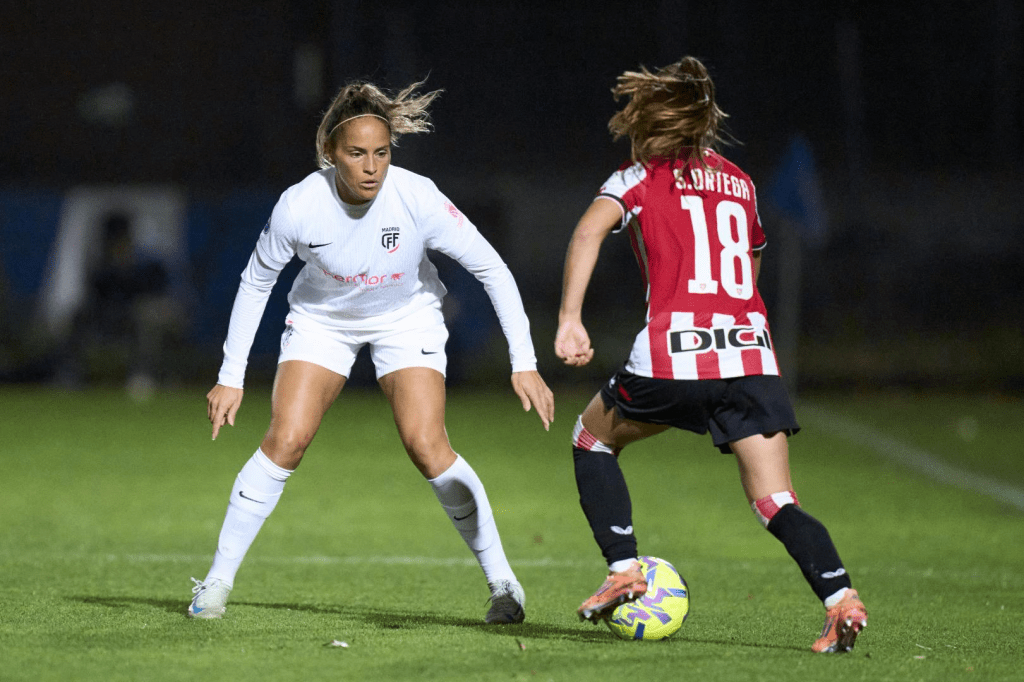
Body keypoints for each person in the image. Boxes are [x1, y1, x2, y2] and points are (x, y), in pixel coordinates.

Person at [188, 79, 554, 624]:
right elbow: (255, 282)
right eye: (356, 154)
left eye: (381, 153)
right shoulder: (299, 206)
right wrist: (231, 374)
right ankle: (215, 584)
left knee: (428, 445)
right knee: (285, 439)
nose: (371, 167)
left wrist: (523, 361)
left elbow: (491, 267)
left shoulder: (417, 197)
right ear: (330, 154)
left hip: (406, 318)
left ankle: (504, 585)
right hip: (322, 321)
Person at [554, 57, 867, 653]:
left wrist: (570, 319)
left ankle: (624, 568)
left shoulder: (636, 178)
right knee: (776, 500)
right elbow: (749, 264)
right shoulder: (741, 181)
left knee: (593, 439)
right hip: (751, 355)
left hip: (674, 355)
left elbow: (588, 232)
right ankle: (841, 601)